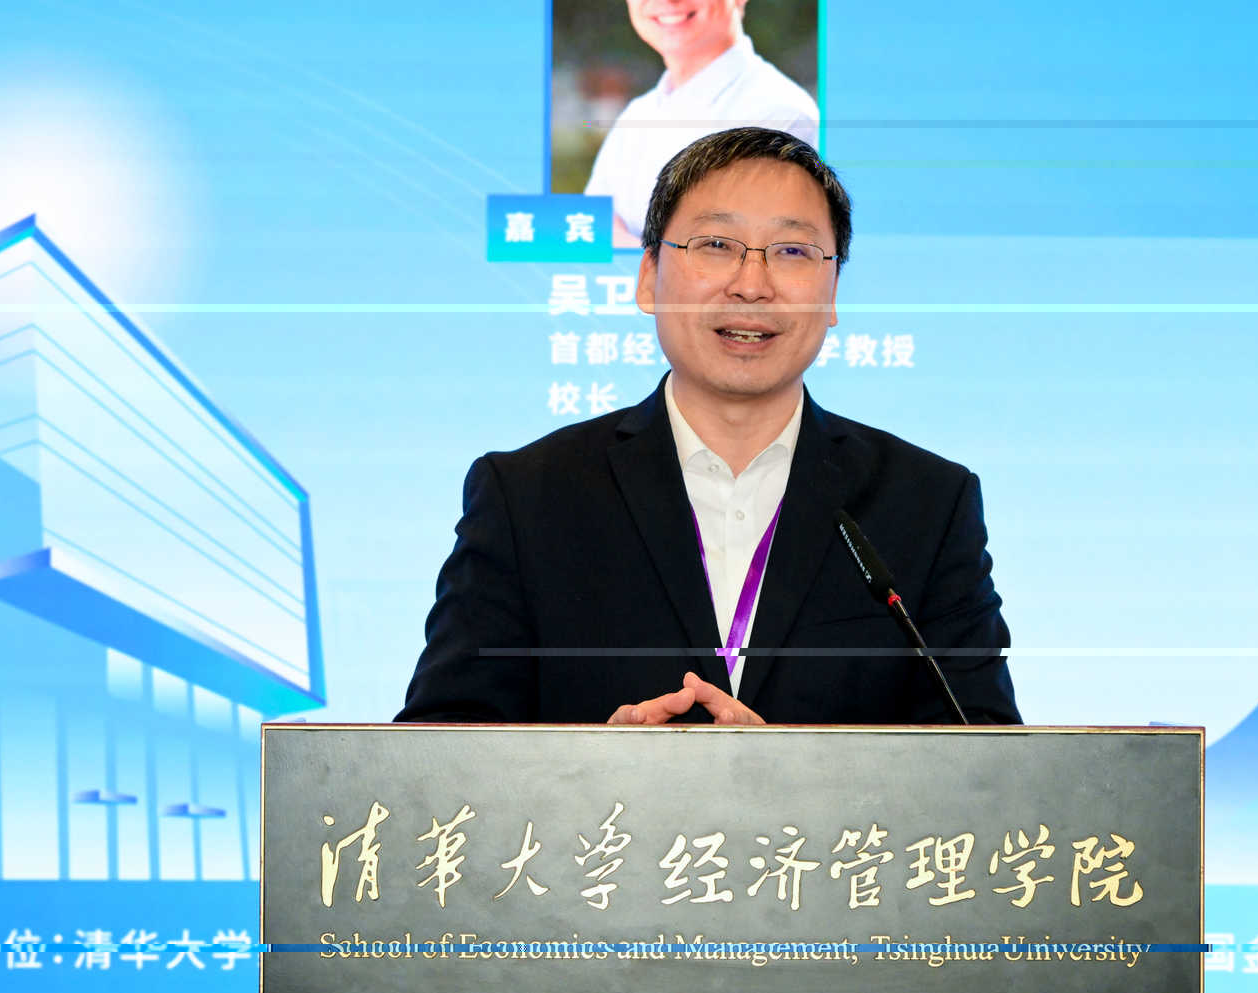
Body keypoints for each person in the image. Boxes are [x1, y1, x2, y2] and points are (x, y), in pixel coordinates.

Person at [399, 127, 1018, 727]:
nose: (752, 285)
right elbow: (441, 745)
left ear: (832, 292)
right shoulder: (527, 495)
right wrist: (591, 770)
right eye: (717, 244)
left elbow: (988, 759)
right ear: (648, 277)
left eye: (793, 251)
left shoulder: (928, 503)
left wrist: (789, 774)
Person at [583, 0, 820, 250]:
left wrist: (618, 242)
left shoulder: (779, 116)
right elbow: (585, 229)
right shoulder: (637, 116)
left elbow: (730, 261)